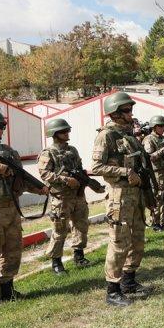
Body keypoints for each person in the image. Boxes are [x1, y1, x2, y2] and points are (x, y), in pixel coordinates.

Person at [0, 111, 49, 311]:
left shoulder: (9, 151)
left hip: (11, 208)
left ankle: (7, 289)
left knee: (13, 251)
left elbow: (20, 179)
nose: (0, 131)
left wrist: (39, 189)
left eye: (2, 127)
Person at [90, 92, 151, 307]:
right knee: (119, 242)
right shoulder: (106, 136)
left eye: (130, 109)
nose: (131, 113)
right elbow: (96, 167)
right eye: (126, 110)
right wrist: (125, 172)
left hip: (135, 194)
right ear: (115, 114)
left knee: (137, 240)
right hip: (119, 196)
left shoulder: (130, 135)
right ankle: (113, 290)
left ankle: (129, 281)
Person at [38, 118, 94, 276]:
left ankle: (79, 255)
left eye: (67, 130)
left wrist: (84, 182)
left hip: (78, 196)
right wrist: (65, 180)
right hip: (61, 198)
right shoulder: (48, 153)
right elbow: (45, 174)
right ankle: (56, 262)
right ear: (54, 134)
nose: (67, 133)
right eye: (63, 131)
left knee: (81, 226)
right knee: (60, 230)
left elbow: (79, 169)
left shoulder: (73, 150)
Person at [142, 115, 164, 231]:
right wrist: (162, 150)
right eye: (160, 126)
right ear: (154, 127)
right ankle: (155, 223)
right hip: (157, 173)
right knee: (158, 198)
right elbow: (149, 157)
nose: (163, 128)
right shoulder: (149, 139)